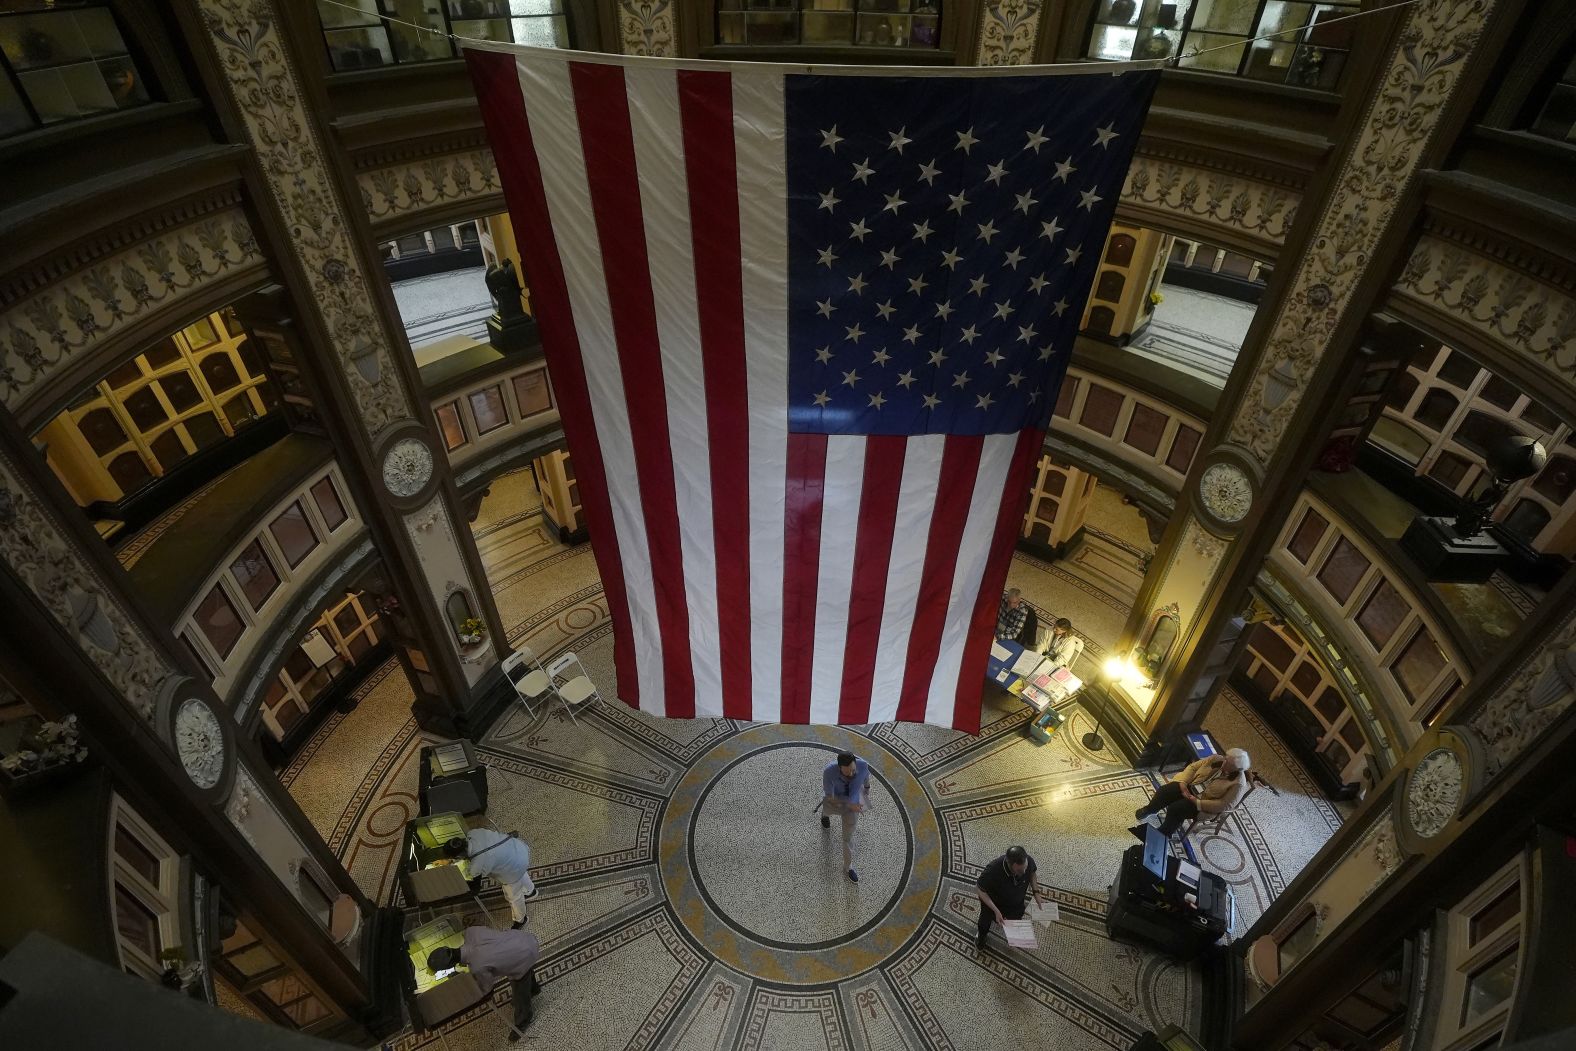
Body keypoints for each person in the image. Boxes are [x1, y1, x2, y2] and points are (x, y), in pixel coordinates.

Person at [427, 924, 541, 1040]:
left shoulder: (477, 967)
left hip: (524, 955)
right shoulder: (471, 932)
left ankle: (524, 1018)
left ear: (449, 966)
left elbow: (486, 989)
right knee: (523, 971)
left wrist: (462, 980)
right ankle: (534, 988)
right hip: (522, 939)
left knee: (519, 988)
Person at [1132, 748, 1252, 837]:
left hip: (1203, 803)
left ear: (1238, 769)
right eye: (1226, 759)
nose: (1224, 763)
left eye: (1229, 764)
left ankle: (1163, 833)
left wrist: (1197, 802)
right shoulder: (1216, 759)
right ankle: (1150, 809)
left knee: (1176, 809)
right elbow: (1193, 767)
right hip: (1191, 787)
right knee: (1165, 791)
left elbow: (1223, 805)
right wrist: (1183, 783)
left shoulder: (1238, 784)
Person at [445, 827, 536, 928]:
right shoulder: (474, 832)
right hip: (518, 849)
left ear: (459, 856)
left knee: (514, 896)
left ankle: (521, 920)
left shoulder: (477, 865)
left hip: (512, 869)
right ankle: (530, 891)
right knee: (520, 871)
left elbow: (474, 887)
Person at [975, 845, 1044, 950]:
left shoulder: (1027, 861)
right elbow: (980, 890)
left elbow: (1032, 873)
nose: (1024, 872)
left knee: (1015, 920)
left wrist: (1036, 892)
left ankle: (1013, 936)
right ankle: (981, 937)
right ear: (1010, 865)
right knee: (984, 922)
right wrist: (996, 910)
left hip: (1015, 903)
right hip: (995, 903)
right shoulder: (993, 870)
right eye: (1020, 871)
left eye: (1025, 868)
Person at [821, 750, 870, 883]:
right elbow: (830, 798)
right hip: (835, 801)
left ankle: (848, 867)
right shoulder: (829, 772)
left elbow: (866, 778)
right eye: (847, 772)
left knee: (847, 838)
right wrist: (849, 804)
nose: (852, 774)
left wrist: (867, 789)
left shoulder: (863, 765)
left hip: (853, 804)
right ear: (839, 767)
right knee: (827, 810)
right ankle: (824, 816)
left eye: (853, 770)